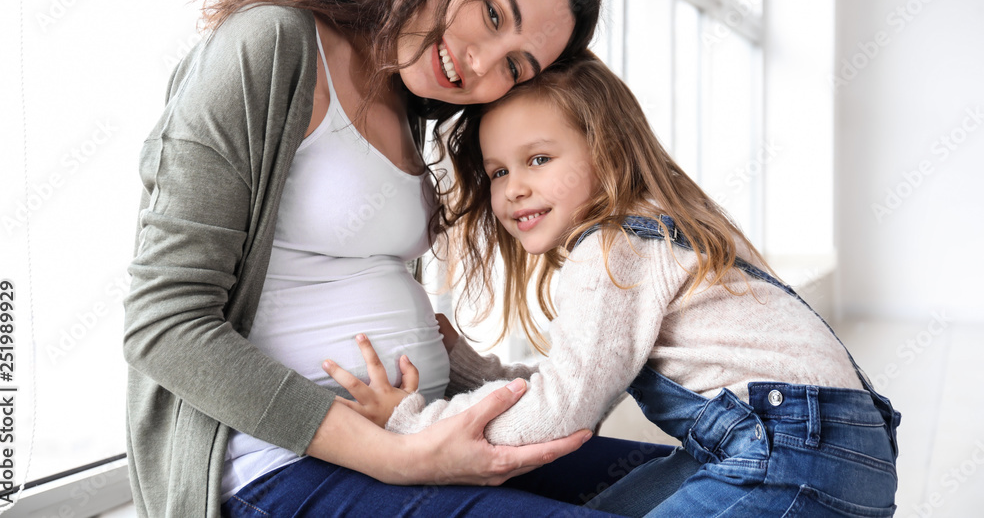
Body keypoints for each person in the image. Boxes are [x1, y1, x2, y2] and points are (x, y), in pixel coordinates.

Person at [122, 0, 661, 518]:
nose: (480, 65)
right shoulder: (272, 43)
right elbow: (162, 325)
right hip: (276, 466)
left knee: (711, 486)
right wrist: (398, 459)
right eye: (491, 15)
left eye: (514, 66)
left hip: (417, 432)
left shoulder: (405, 97)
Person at [329, 54, 902, 516]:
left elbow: (564, 409)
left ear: (607, 152)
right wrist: (465, 363)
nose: (513, 189)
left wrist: (411, 424)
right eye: (499, 170)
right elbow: (574, 383)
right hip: (819, 441)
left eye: (539, 159)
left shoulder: (614, 246)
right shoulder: (659, 226)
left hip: (790, 454)